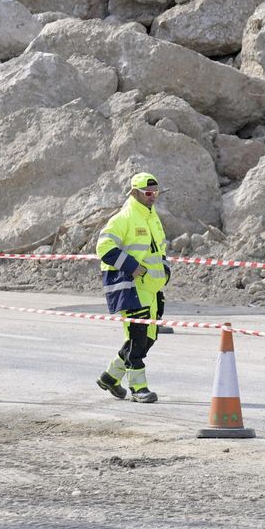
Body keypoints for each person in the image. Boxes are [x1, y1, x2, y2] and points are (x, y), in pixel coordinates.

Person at [95, 172, 170, 403]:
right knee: (137, 339)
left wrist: (166, 270)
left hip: (152, 289)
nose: (153, 197)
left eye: (156, 192)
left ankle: (110, 376)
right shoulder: (124, 218)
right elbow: (103, 247)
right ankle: (139, 388)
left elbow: (160, 248)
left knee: (148, 338)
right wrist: (131, 266)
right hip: (131, 288)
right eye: (148, 193)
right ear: (135, 192)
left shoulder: (152, 217)